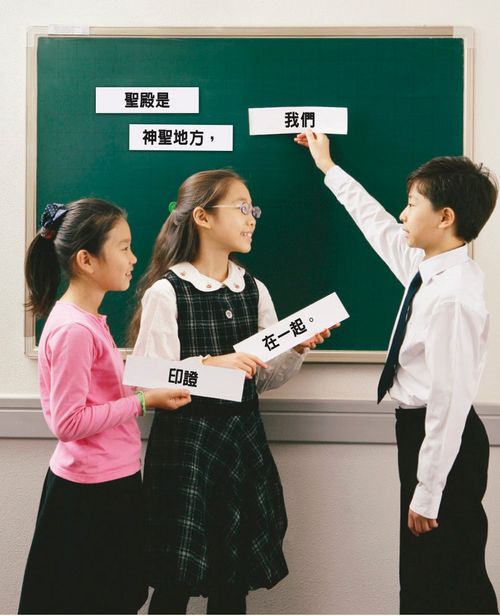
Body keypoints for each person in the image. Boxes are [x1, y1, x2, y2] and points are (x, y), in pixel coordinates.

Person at [295, 129, 498, 614]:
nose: (403, 214)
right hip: (423, 435)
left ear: (445, 218)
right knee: (431, 576)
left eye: (412, 204)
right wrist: (329, 169)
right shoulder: (429, 269)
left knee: (448, 580)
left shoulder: (453, 296)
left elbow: (450, 401)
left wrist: (429, 493)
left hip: (441, 440)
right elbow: (378, 225)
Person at [129, 169, 332, 614]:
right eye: (241, 208)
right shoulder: (168, 292)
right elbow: (148, 378)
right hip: (187, 451)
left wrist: (293, 348)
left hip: (241, 444)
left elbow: (263, 378)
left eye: (252, 208)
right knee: (174, 581)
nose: (252, 218)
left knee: (231, 581)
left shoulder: (253, 289)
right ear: (202, 217)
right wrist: (210, 365)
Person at [19, 199, 191, 615]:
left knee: (114, 598)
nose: (134, 259)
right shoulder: (75, 329)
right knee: (96, 601)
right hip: (90, 494)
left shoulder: (88, 320)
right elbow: (67, 421)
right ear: (86, 260)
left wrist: (184, 373)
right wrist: (143, 401)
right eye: (124, 247)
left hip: (110, 481)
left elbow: (100, 392)